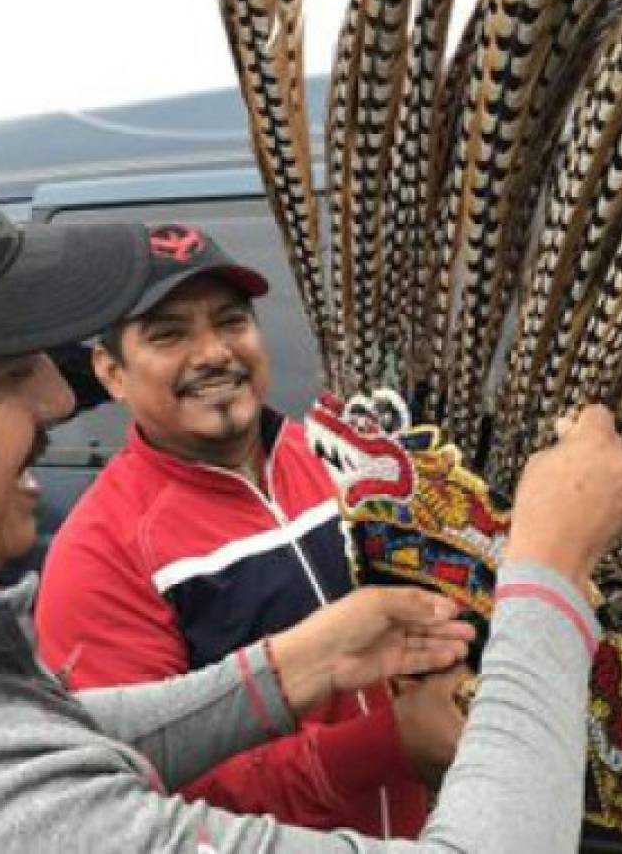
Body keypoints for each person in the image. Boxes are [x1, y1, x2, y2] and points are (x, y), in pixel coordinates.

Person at [0, 101, 622, 852]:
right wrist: (548, 573)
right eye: (5, 371)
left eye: (231, 320)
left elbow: (40, 735)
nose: (52, 397)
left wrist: (302, 661)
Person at [34, 224, 461, 835]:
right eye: (170, 333)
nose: (213, 352)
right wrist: (386, 746)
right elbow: (150, 784)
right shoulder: (100, 552)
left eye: (231, 322)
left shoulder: (346, 460)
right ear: (111, 373)